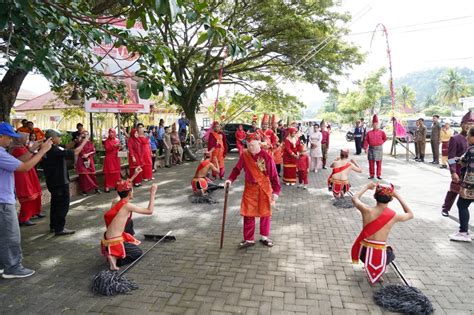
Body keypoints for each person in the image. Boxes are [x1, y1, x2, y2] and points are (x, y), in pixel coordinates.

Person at [0, 123, 52, 278]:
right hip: (3, 201)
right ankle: (13, 267)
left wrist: (32, 150)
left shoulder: (3, 152)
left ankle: (5, 264)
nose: (11, 141)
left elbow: (19, 161)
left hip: (3, 199)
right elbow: (24, 167)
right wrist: (42, 152)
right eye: (8, 137)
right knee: (11, 235)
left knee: (4, 235)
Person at [226, 133, 281, 248]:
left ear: (259, 144)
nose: (250, 148)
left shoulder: (267, 157)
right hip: (250, 188)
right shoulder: (245, 155)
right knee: (248, 214)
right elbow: (237, 169)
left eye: (252, 145)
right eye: (248, 145)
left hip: (264, 187)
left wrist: (276, 191)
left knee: (265, 213)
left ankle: (264, 237)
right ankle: (249, 239)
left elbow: (274, 176)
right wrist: (230, 180)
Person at [351, 182, 413, 284]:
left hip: (363, 254)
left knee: (370, 247)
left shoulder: (366, 210)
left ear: (375, 196)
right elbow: (410, 214)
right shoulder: (394, 216)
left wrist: (366, 186)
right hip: (381, 255)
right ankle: (379, 270)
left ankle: (368, 264)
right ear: (391, 199)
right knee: (389, 252)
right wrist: (398, 196)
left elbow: (354, 198)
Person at [101, 170, 156, 270]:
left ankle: (112, 254)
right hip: (115, 241)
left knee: (129, 222)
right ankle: (115, 258)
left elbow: (122, 189)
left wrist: (135, 175)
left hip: (107, 238)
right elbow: (149, 211)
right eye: (132, 190)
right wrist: (152, 193)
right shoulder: (128, 206)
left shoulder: (115, 201)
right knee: (137, 253)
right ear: (130, 193)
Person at [42, 129, 88, 236]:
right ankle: (60, 228)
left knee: (55, 204)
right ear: (52, 139)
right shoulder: (53, 150)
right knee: (62, 205)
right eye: (59, 137)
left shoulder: (49, 148)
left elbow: (66, 147)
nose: (60, 139)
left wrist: (77, 141)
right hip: (59, 182)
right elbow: (75, 152)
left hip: (53, 181)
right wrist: (85, 141)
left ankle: (54, 226)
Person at [442, 111, 474, 217]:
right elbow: (451, 158)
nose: (468, 126)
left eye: (471, 124)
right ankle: (446, 208)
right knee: (454, 191)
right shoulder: (455, 139)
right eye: (467, 124)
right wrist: (453, 172)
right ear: (461, 125)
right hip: (459, 171)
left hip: (471, 173)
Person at [9, 132, 43, 226]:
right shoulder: (15, 149)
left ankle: (33, 213)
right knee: (27, 195)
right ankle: (24, 218)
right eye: (26, 137)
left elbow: (30, 157)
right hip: (22, 174)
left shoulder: (23, 147)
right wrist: (38, 152)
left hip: (29, 171)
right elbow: (24, 159)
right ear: (19, 138)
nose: (27, 138)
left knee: (35, 192)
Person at [450, 127, 474, 242]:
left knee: (462, 205)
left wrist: (450, 165)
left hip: (470, 185)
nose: (467, 137)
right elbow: (461, 159)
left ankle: (463, 232)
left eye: (469, 135)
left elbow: (460, 160)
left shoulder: (471, 150)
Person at [76, 130, 100, 195]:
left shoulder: (91, 143)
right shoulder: (80, 143)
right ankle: (84, 190)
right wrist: (84, 155)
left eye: (87, 134)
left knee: (92, 175)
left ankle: (96, 188)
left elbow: (93, 151)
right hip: (82, 160)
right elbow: (79, 151)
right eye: (84, 134)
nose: (85, 136)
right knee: (84, 176)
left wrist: (88, 155)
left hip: (89, 160)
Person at [363, 115, 387, 180]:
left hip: (379, 149)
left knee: (379, 163)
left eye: (376, 124)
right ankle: (371, 175)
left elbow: (385, 138)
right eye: (374, 124)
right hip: (371, 149)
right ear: (372, 125)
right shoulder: (369, 133)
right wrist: (365, 148)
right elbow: (366, 141)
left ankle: (378, 175)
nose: (375, 125)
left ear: (378, 125)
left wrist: (381, 142)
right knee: (371, 163)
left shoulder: (382, 132)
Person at [103, 128, 122, 193]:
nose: (111, 134)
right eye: (110, 132)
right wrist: (114, 146)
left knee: (116, 173)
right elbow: (107, 149)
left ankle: (116, 185)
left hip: (116, 158)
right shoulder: (106, 141)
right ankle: (107, 186)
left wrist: (119, 146)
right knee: (109, 173)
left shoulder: (117, 140)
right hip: (109, 158)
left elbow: (119, 148)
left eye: (112, 132)